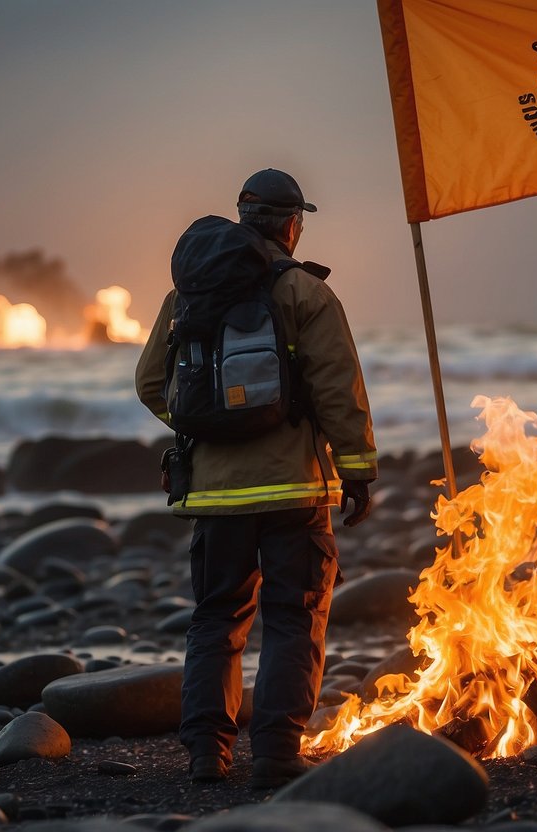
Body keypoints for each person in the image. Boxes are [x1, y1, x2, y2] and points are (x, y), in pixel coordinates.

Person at [135, 168, 378, 789]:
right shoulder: (304, 293)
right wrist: (357, 471)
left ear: (245, 219)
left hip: (215, 495)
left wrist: (205, 427)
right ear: (291, 223)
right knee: (295, 618)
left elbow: (151, 384)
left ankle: (207, 756)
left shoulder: (187, 295)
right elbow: (337, 391)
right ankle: (274, 752)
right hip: (295, 490)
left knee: (217, 619)